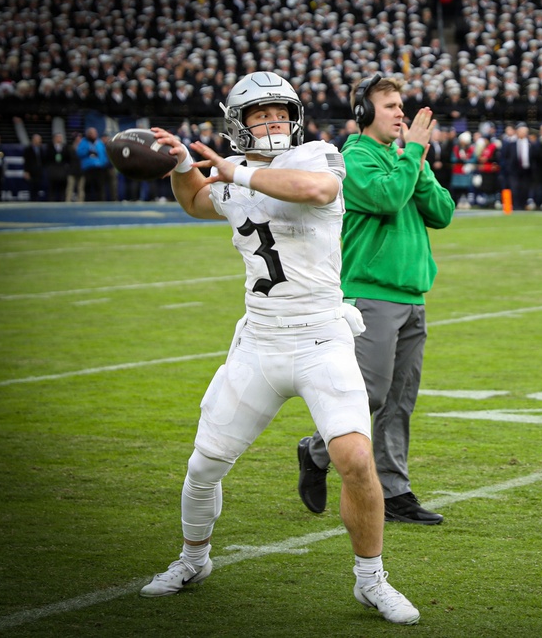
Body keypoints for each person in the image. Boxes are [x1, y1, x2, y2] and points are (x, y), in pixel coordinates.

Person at [142, 71, 420, 625]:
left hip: (322, 338)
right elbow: (196, 201)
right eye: (259, 116)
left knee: (355, 459)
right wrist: (181, 163)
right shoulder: (232, 177)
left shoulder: (317, 156)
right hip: (260, 341)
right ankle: (193, 559)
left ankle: (371, 579)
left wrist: (237, 171)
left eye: (278, 114)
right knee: (204, 464)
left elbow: (316, 192)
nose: (271, 123)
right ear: (237, 124)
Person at [297, 74, 454, 527]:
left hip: (412, 292)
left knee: (400, 401)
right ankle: (316, 451)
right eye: (390, 106)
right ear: (364, 113)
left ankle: (394, 490)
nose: (401, 113)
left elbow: (442, 212)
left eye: (401, 105)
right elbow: (387, 198)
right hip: (371, 294)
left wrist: (415, 161)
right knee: (368, 393)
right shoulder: (353, 159)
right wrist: (413, 155)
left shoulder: (403, 157)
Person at [23, 133, 49, 202]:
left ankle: (37, 202)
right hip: (31, 172)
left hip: (39, 172)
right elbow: (26, 162)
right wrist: (26, 171)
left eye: (40, 139)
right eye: (38, 139)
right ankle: (32, 202)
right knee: (32, 189)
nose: (40, 141)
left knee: (38, 189)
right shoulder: (28, 149)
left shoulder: (41, 149)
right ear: (33, 140)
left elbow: (44, 161)